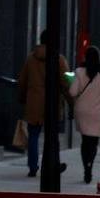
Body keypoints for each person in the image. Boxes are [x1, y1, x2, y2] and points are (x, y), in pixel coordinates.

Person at [17, 30, 69, 177]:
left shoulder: (30, 59)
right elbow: (67, 83)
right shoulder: (60, 59)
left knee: (33, 135)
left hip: (34, 102)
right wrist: (72, 101)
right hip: (52, 104)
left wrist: (22, 99)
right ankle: (53, 163)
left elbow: (22, 81)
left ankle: (33, 166)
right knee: (52, 137)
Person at [69, 46, 100, 184]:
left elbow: (72, 92)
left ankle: (86, 168)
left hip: (82, 112)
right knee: (93, 143)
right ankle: (90, 165)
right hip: (98, 113)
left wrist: (70, 79)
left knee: (85, 141)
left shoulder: (78, 72)